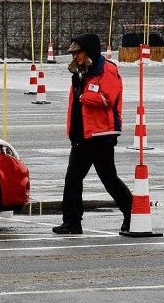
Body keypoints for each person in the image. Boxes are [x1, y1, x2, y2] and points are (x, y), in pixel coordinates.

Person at [52, 33, 133, 234]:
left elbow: (108, 99)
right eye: (74, 53)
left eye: (78, 52)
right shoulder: (80, 72)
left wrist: (84, 97)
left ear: (89, 52)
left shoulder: (107, 71)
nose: (75, 57)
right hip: (81, 136)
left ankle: (134, 213)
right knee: (72, 178)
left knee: (109, 178)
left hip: (101, 136)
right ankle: (72, 223)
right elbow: (75, 105)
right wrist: (72, 130)